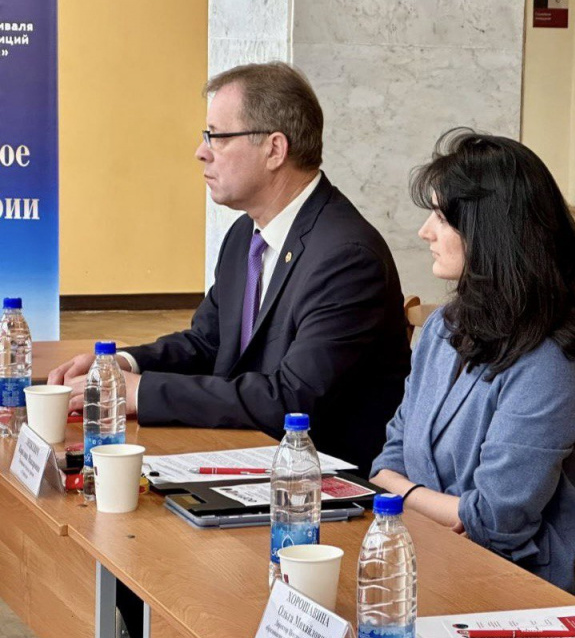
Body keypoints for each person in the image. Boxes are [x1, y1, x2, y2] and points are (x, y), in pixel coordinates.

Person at [48, 62, 410, 476]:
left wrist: (143, 392)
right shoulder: (245, 234)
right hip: (246, 456)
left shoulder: (346, 256)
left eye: (216, 136)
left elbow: (292, 400)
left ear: (274, 149)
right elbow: (207, 343)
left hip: (318, 485)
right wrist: (123, 366)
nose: (201, 151)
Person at [369, 129, 575, 602]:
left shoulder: (553, 363)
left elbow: (494, 521)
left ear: (490, 232)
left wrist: (401, 494)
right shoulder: (443, 327)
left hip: (520, 589)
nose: (425, 232)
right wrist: (442, 506)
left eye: (442, 218)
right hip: (431, 555)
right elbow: (389, 455)